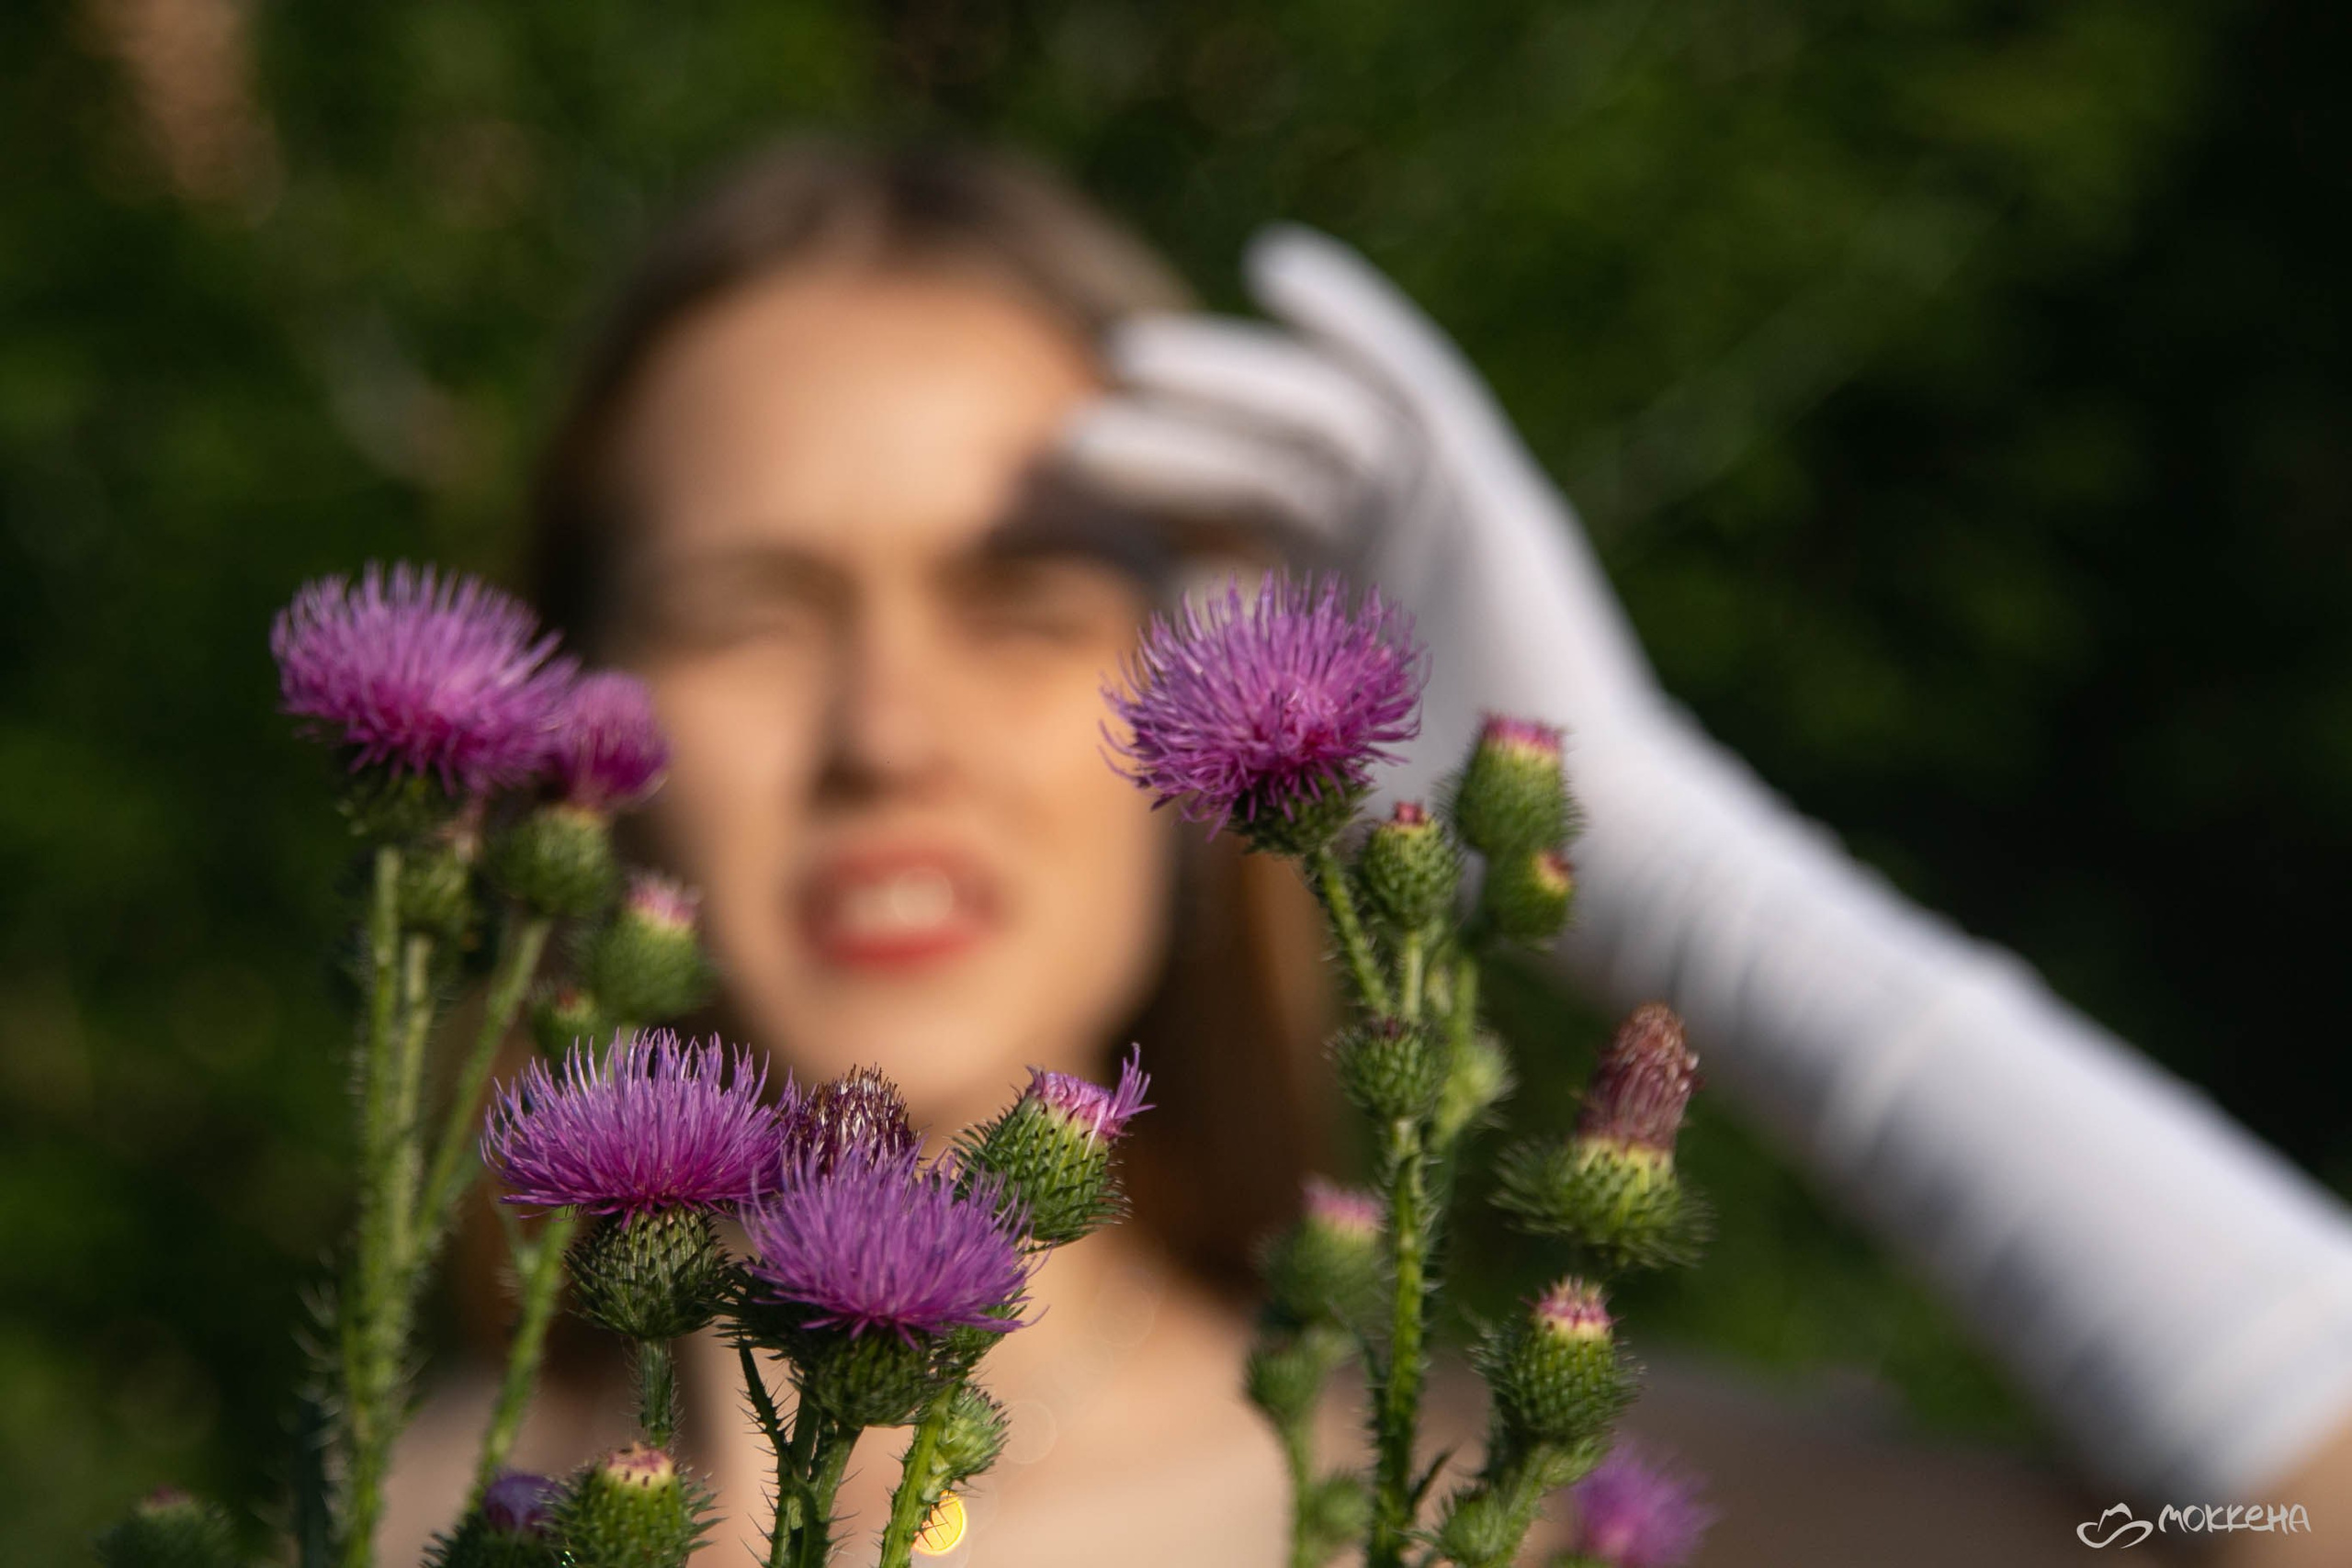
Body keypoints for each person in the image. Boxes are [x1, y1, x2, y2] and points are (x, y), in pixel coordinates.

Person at [382, 141, 2352, 1567]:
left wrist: (1676, 861)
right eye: (754, 606)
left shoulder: (1548, 1505)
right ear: (582, 713)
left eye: (1022, 600)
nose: (885, 732)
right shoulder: (382, 1521)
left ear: (1196, 696)